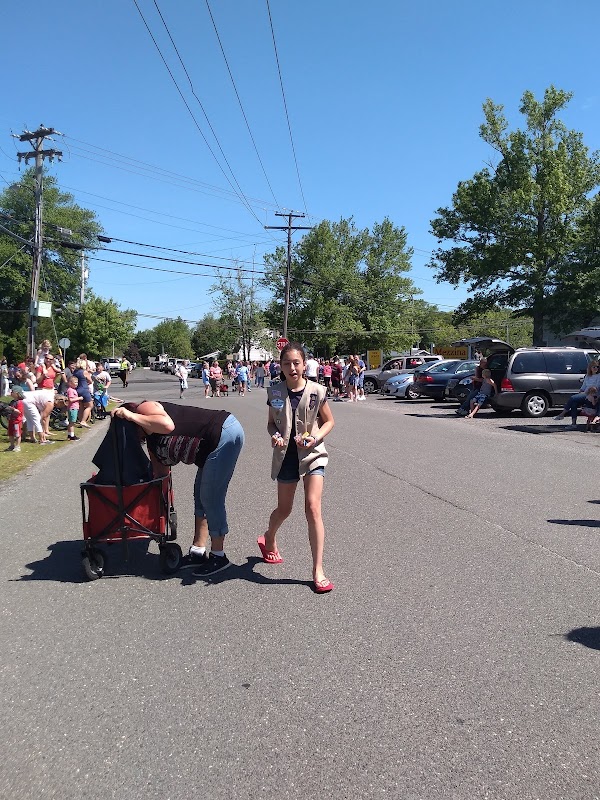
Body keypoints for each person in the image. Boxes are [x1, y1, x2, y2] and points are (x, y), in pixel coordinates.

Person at [112, 400, 244, 576]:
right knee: (200, 497)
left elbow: (167, 425)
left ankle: (219, 556)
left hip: (223, 432)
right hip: (210, 446)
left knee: (211, 498)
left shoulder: (144, 408)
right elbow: (161, 476)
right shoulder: (151, 444)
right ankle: (198, 551)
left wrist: (130, 415)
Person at [260, 342, 335, 593]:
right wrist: (274, 435)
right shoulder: (275, 392)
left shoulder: (317, 390)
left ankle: (318, 569)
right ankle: (269, 536)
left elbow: (329, 421)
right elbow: (271, 424)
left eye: (296, 363)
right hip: (286, 457)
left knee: (313, 508)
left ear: (304, 364)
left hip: (313, 454)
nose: (292, 368)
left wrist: (316, 437)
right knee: (284, 509)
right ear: (280, 366)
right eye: (286, 363)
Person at [555, 361, 600, 429]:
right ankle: (573, 424)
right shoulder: (587, 376)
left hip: (592, 395)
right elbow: (583, 387)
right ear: (590, 368)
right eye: (594, 367)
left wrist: (586, 392)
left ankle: (562, 414)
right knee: (574, 402)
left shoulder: (599, 376)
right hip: (585, 394)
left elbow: (596, 387)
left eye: (597, 367)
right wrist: (581, 392)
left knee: (572, 398)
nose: (596, 368)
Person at [35, 353, 63, 436]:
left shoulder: (53, 368)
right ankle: (42, 431)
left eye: (50, 359)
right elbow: (37, 381)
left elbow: (56, 375)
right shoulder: (41, 367)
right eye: (47, 358)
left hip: (50, 389)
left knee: (49, 410)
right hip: (42, 389)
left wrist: (53, 386)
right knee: (43, 411)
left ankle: (46, 430)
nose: (48, 360)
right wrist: (43, 375)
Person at [69, 359, 93, 428]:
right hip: (84, 389)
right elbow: (90, 381)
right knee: (89, 406)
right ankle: (83, 421)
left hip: (77, 390)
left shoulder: (75, 372)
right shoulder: (84, 372)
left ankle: (80, 420)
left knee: (81, 406)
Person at [5, 386, 25, 452]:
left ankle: (18, 446)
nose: (11, 393)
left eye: (12, 392)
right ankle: (12, 445)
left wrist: (12, 409)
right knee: (10, 433)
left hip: (17, 421)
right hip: (11, 420)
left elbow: (19, 412)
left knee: (17, 434)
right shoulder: (12, 401)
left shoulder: (19, 402)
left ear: (16, 393)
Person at [66, 376, 84, 441]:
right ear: (70, 383)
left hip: (75, 407)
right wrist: (79, 398)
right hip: (72, 407)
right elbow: (70, 399)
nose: (76, 384)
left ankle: (69, 434)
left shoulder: (73, 390)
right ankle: (72, 436)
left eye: (77, 382)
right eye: (75, 382)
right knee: (72, 423)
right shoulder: (70, 390)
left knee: (71, 422)